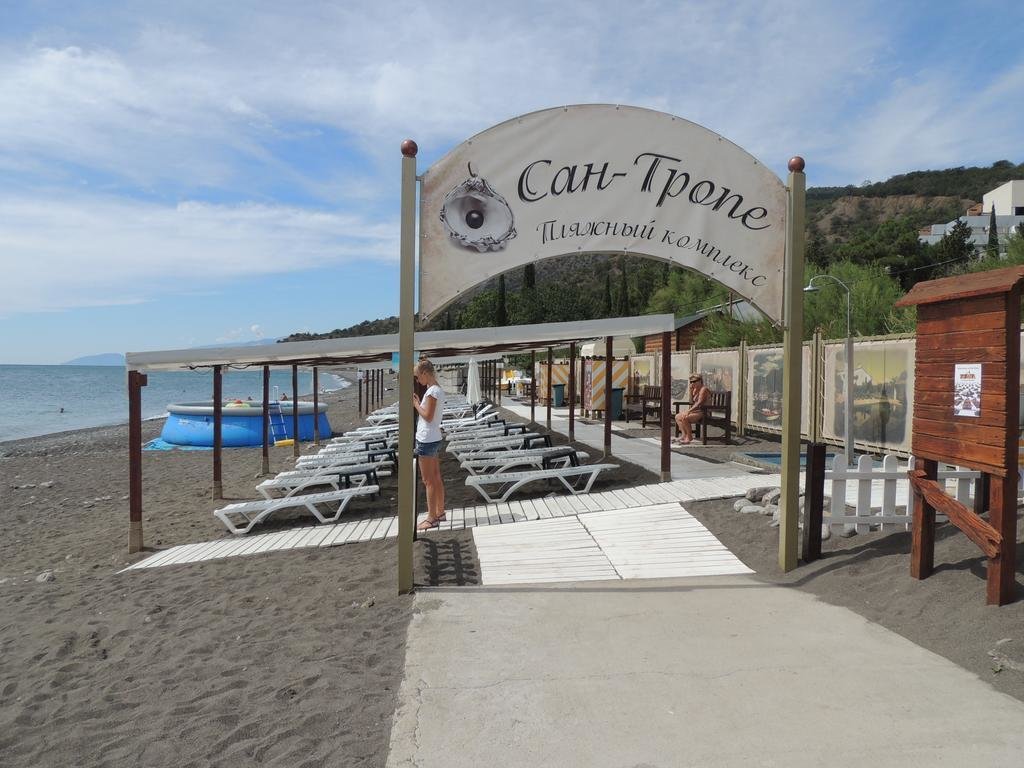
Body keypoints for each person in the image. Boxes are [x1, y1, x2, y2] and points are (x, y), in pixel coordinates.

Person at [413, 358, 447, 531]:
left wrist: (416, 404)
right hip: (433, 436)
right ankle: (440, 512)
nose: (417, 380)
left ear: (425, 373)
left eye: (418, 376)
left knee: (428, 480)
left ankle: (431, 517)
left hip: (426, 438)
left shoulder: (432, 391)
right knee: (436, 477)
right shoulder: (437, 389)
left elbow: (428, 416)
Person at [674, 374, 710, 445]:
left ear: (700, 381)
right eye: (691, 382)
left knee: (685, 417)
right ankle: (684, 435)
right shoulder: (695, 389)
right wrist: (691, 391)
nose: (692, 383)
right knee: (677, 417)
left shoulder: (704, 389)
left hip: (704, 411)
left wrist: (688, 411)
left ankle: (689, 437)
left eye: (694, 381)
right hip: (696, 411)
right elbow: (691, 402)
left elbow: (699, 403)